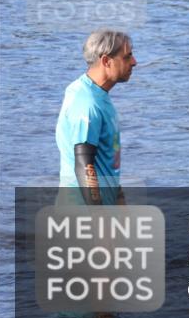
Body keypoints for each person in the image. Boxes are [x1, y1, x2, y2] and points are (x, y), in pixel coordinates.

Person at [56, 29, 136, 205]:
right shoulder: (86, 103)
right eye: (127, 57)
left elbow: (106, 161)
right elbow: (84, 164)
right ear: (106, 61)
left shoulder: (96, 95)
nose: (134, 62)